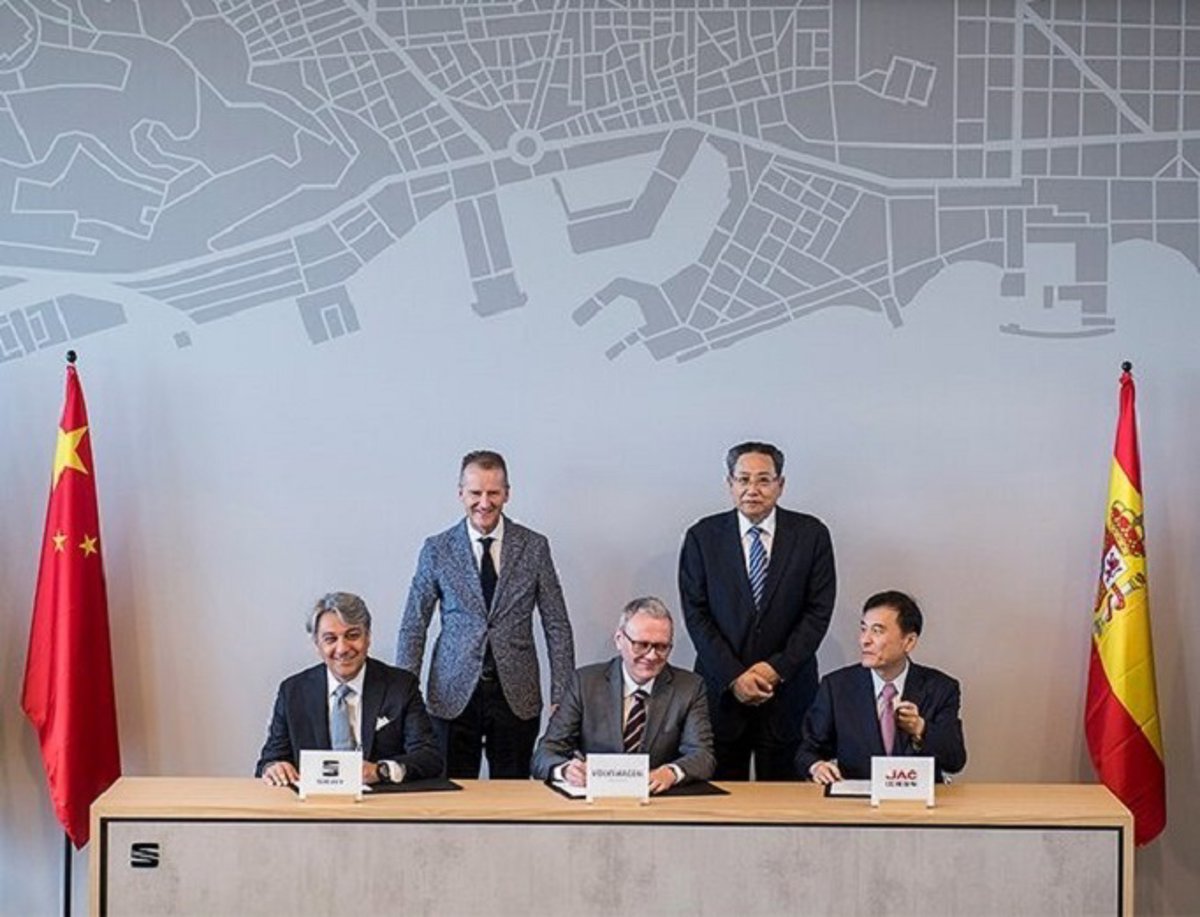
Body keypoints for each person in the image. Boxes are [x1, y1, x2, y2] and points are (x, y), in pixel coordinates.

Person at [396, 450, 575, 779]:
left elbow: (557, 624)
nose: (484, 502)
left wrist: (562, 694)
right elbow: (413, 625)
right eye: (475, 493)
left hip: (516, 694)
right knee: (450, 792)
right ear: (460, 493)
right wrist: (403, 696)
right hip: (451, 693)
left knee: (513, 794)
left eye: (493, 492)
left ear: (507, 493)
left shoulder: (534, 546)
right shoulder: (437, 549)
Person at [679, 441, 836, 781]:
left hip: (789, 692)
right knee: (719, 801)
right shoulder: (702, 537)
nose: (753, 489)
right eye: (743, 479)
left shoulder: (811, 535)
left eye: (764, 480)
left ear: (781, 484)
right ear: (730, 484)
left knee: (787, 801)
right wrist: (735, 676)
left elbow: (818, 612)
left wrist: (775, 669)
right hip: (722, 693)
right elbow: (696, 615)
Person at [531, 596, 715, 794]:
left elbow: (703, 756)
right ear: (619, 640)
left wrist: (671, 772)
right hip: (594, 801)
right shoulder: (584, 683)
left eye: (661, 647)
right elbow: (545, 753)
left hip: (657, 800)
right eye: (642, 645)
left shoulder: (689, 687)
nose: (651, 655)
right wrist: (566, 770)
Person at [257, 592, 442, 786]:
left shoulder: (401, 686)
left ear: (368, 637)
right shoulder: (292, 692)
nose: (342, 648)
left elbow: (430, 757)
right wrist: (274, 767)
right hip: (314, 801)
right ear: (317, 645)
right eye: (330, 639)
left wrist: (381, 771)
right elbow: (269, 760)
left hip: (381, 800)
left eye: (352, 636)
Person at [796, 590, 966, 783]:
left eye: (877, 631)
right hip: (858, 798)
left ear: (909, 641)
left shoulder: (941, 688)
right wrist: (817, 766)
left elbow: (955, 760)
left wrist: (920, 728)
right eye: (863, 629)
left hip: (917, 798)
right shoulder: (836, 687)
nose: (865, 640)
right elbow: (807, 751)